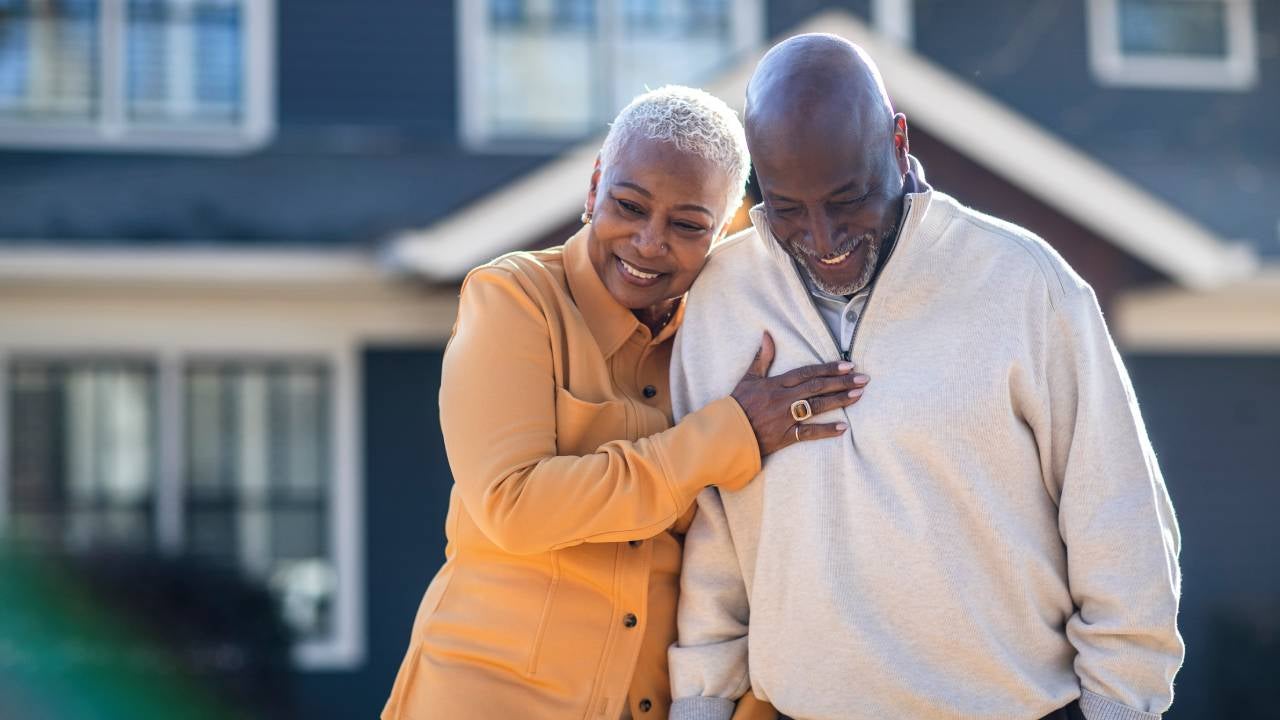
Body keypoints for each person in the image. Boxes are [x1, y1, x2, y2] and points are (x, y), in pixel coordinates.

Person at [667, 36, 1183, 720]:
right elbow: (713, 543)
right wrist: (701, 705)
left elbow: (1120, 525)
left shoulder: (1025, 283)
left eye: (847, 197)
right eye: (788, 207)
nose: (823, 240)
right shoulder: (719, 302)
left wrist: (1120, 708)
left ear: (897, 139)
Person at [381, 85, 869, 720]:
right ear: (593, 190)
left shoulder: (721, 344)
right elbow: (515, 504)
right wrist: (725, 436)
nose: (647, 242)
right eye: (629, 206)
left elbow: (748, 551)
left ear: (725, 232)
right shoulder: (513, 300)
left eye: (688, 225)